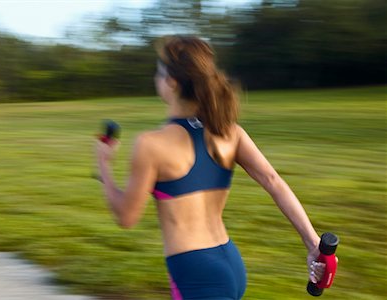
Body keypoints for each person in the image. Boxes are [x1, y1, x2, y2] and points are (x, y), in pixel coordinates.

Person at [95, 35, 326, 300]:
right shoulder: (230, 132)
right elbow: (273, 181)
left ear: (172, 81)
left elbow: (126, 217)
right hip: (231, 262)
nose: (156, 78)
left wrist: (104, 165)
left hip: (196, 275)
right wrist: (312, 241)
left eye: (159, 71)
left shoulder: (151, 144)